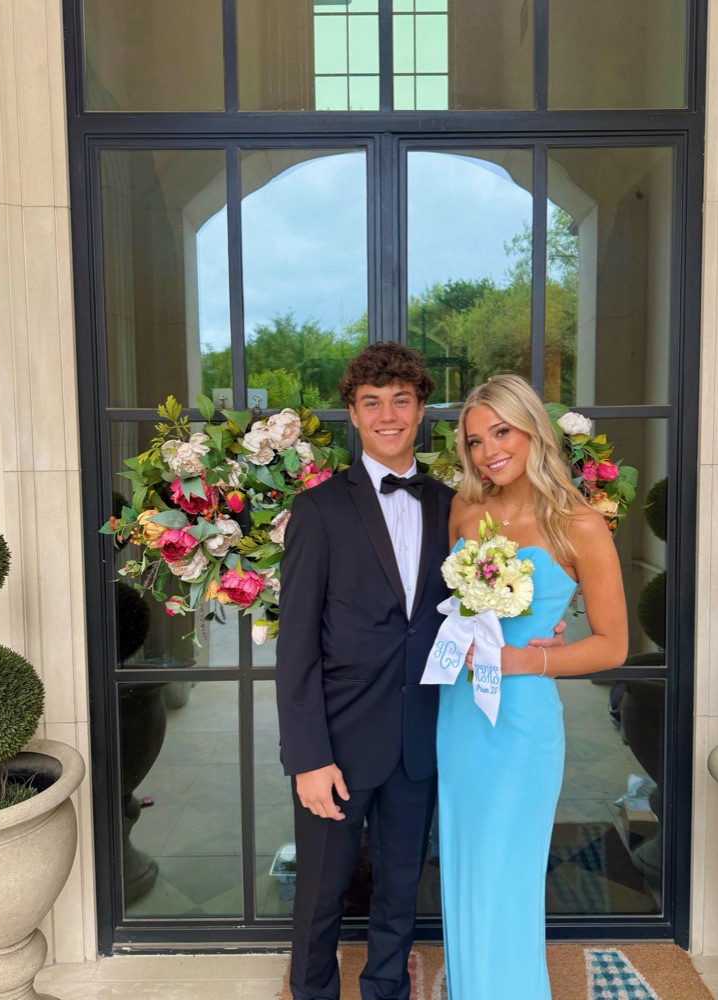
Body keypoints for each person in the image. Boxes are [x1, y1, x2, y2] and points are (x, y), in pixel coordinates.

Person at [276, 344, 563, 1000]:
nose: (387, 415)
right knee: (319, 900)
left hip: (423, 736)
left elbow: (490, 596)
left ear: (421, 410)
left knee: (399, 895)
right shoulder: (318, 511)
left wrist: (544, 629)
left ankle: (387, 991)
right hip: (338, 745)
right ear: (353, 414)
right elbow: (295, 649)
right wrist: (307, 757)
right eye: (371, 402)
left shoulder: (456, 508)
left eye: (400, 400)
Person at [437, 373, 629, 999]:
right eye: (474, 441)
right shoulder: (465, 511)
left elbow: (613, 645)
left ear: (532, 431)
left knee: (506, 877)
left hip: (520, 726)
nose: (487, 451)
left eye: (501, 432)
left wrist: (531, 661)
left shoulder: (581, 525)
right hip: (459, 713)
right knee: (466, 871)